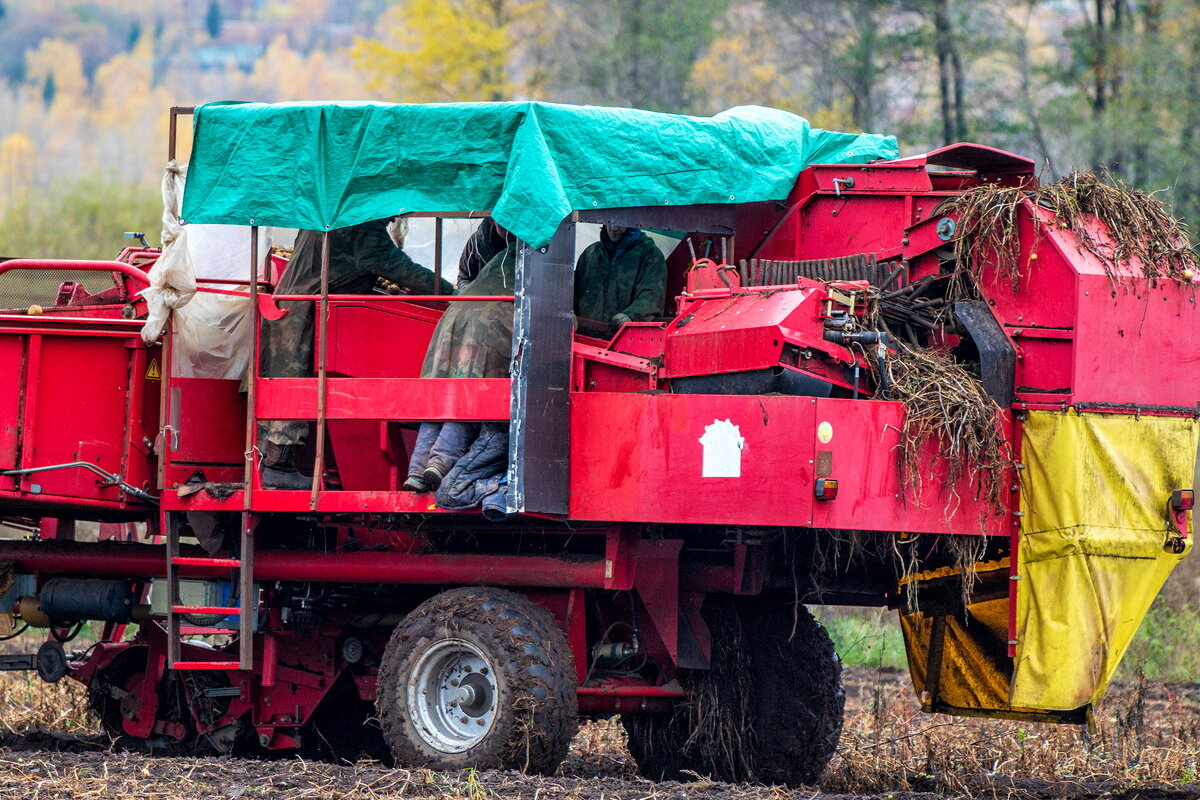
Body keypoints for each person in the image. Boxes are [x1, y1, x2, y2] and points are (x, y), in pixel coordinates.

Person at [258, 217, 452, 490]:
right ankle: (277, 469)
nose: (395, 217)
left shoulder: (324, 215)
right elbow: (398, 267)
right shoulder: (362, 228)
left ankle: (272, 467)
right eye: (392, 209)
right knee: (292, 392)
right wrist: (452, 292)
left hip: (286, 308)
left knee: (279, 391)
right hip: (307, 318)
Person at [403, 227, 517, 492]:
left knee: (440, 394)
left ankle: (417, 470)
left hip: (455, 318)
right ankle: (441, 464)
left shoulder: (497, 255)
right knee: (468, 395)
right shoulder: (539, 256)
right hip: (491, 324)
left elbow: (465, 280)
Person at [574, 224, 667, 335]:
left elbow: (652, 295)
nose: (613, 228)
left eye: (620, 223)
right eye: (609, 222)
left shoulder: (650, 255)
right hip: (585, 336)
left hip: (623, 340)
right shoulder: (591, 253)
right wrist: (569, 312)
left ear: (632, 223)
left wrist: (631, 316)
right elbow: (573, 289)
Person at [457, 218, 508, 289]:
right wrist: (475, 293)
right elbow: (464, 279)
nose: (509, 227)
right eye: (503, 221)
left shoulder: (526, 241)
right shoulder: (476, 242)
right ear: (492, 221)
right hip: (484, 296)